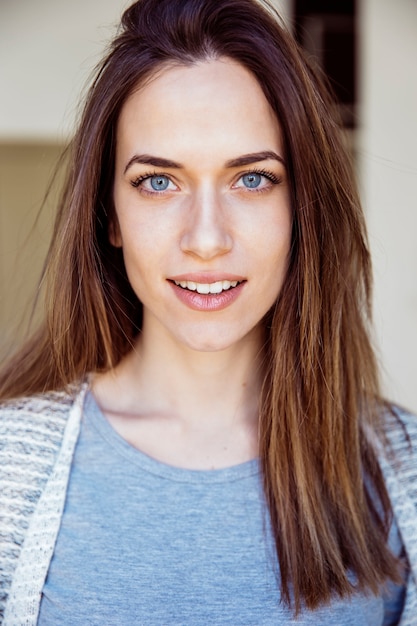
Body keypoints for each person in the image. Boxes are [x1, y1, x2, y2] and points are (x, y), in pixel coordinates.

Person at [0, 0, 416, 623]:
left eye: (252, 179)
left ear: (302, 207)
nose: (205, 238)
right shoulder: (7, 466)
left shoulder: (402, 471)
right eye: (157, 182)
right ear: (108, 214)